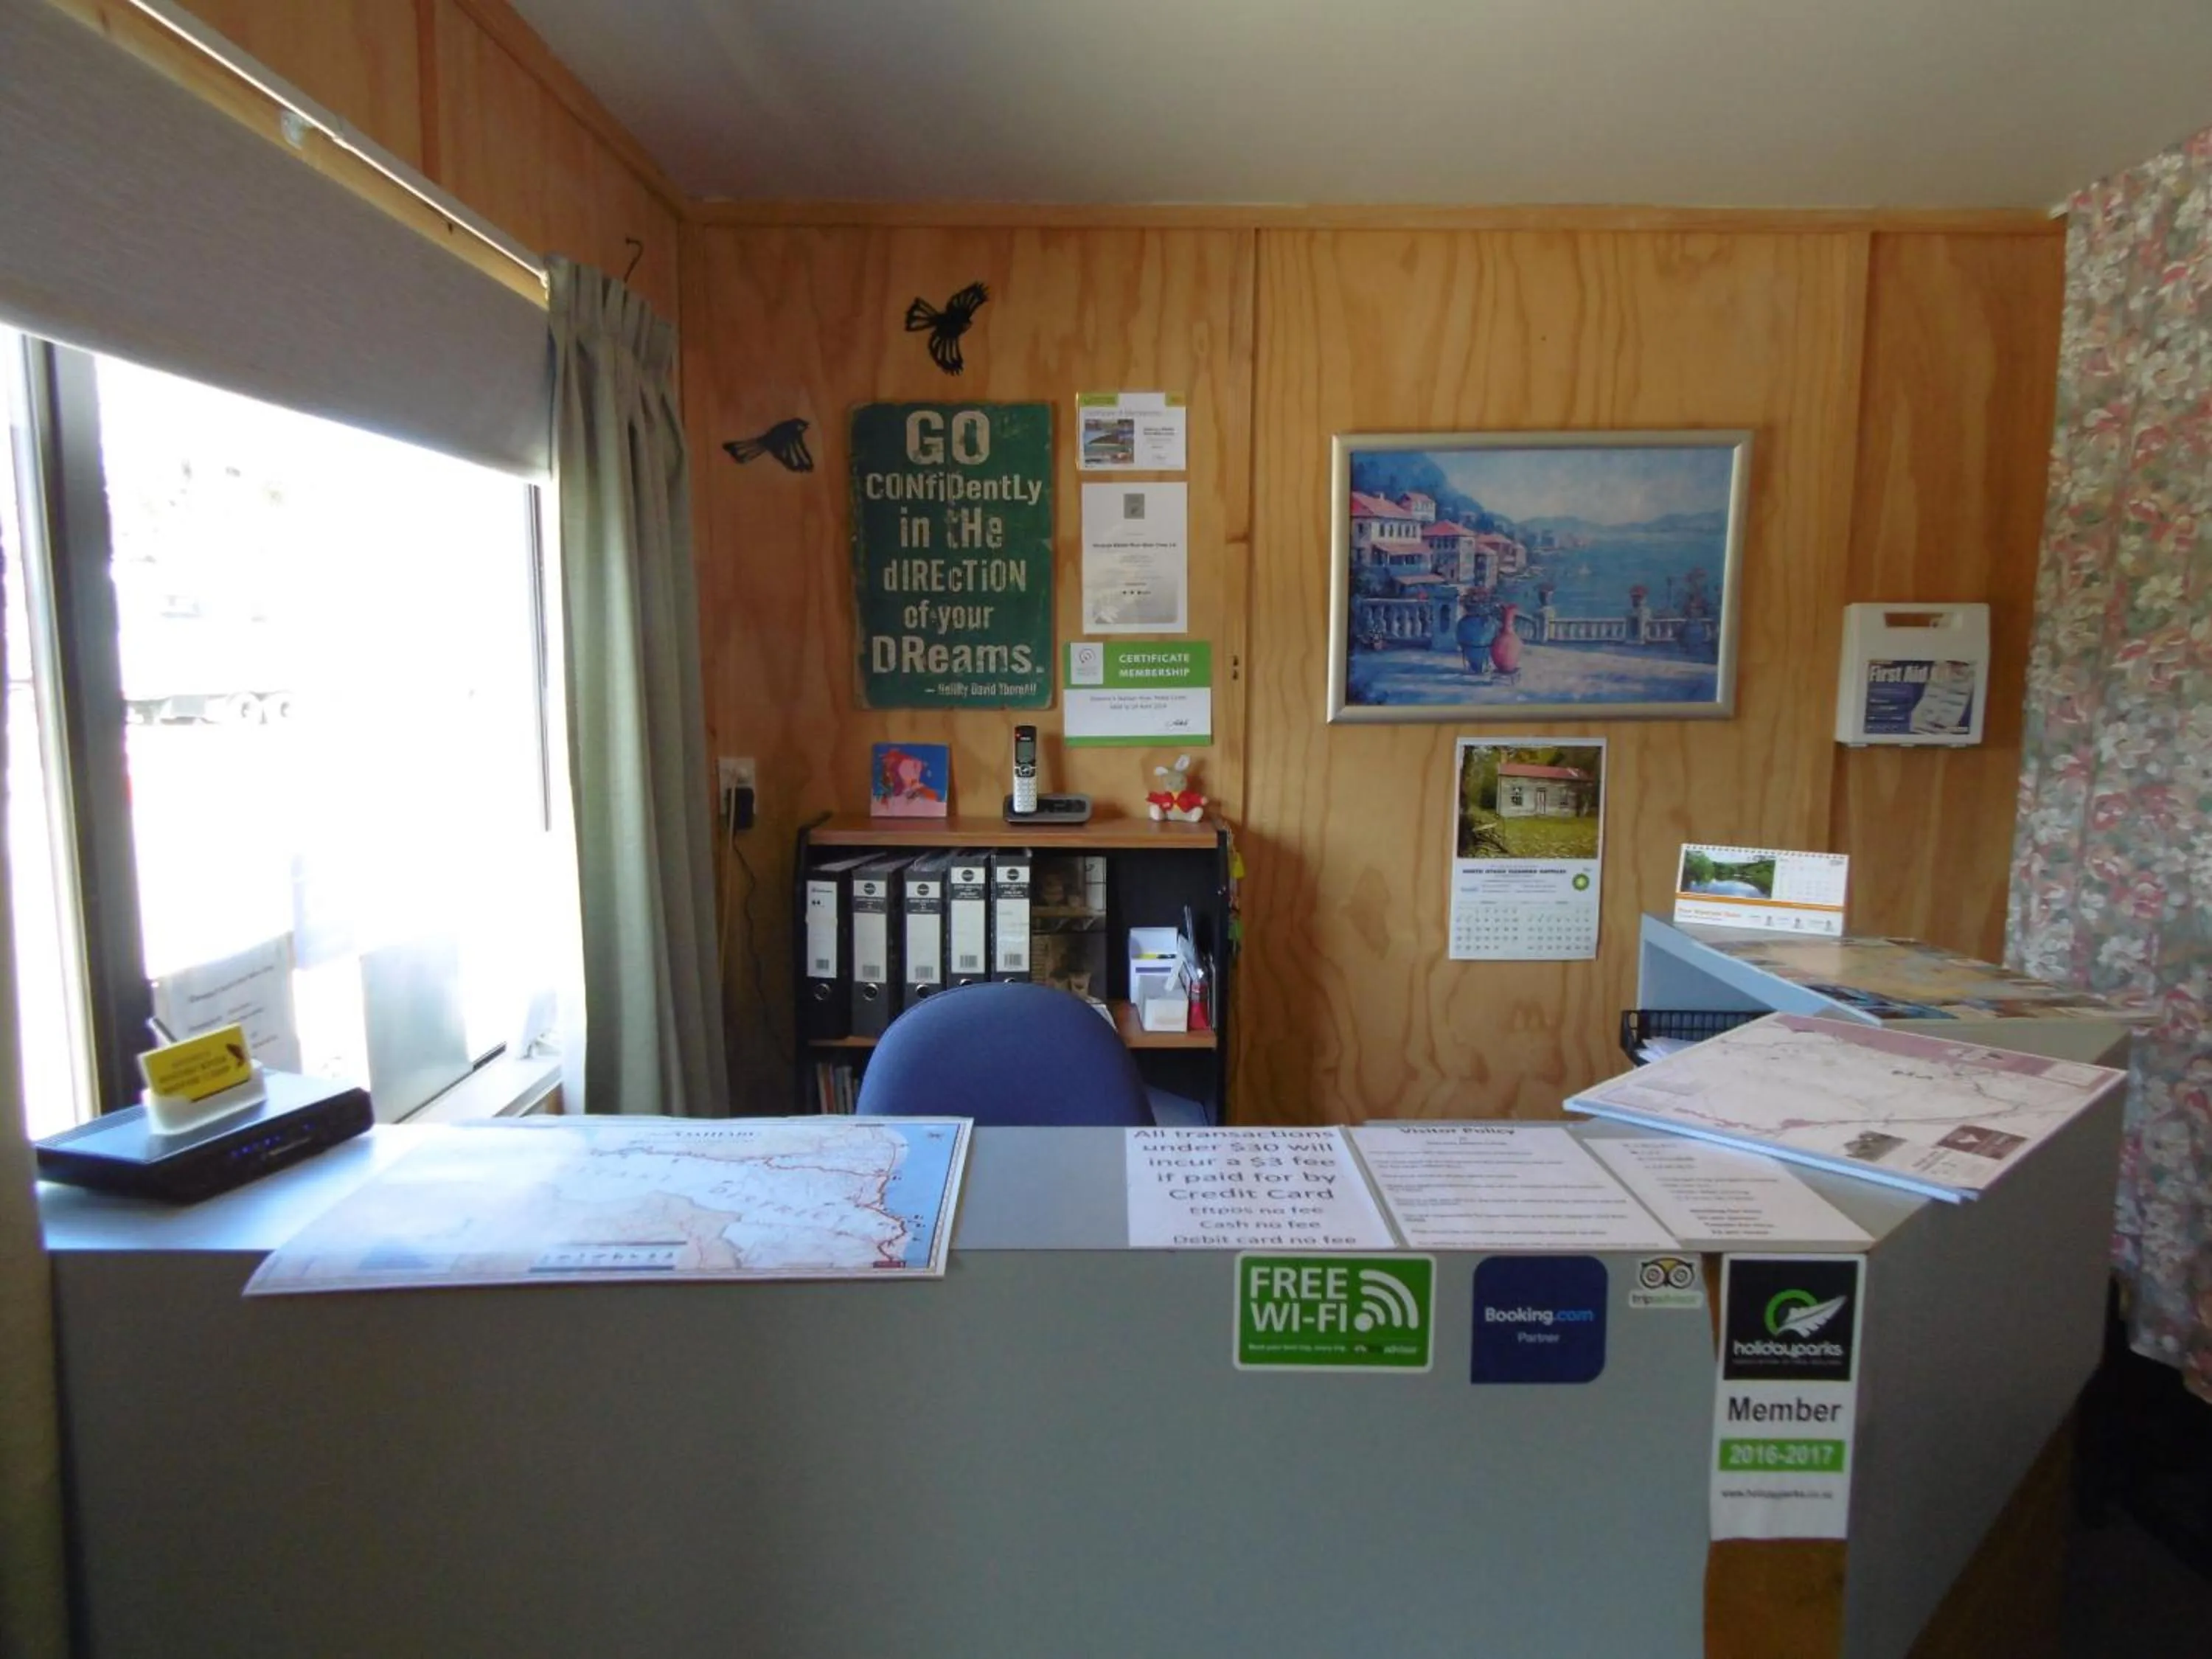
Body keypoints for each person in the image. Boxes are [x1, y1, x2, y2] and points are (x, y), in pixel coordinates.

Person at [1455, 593, 1500, 677]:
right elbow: (1496, 636)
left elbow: (1459, 640)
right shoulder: (1491, 622)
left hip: (1471, 650)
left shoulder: (1463, 623)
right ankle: (1480, 666)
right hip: (1484, 650)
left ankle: (1476, 666)